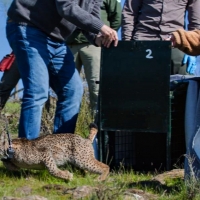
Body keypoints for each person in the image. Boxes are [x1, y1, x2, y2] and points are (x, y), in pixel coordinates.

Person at [5, 0, 118, 140]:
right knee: (37, 90)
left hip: (56, 39)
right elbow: (66, 6)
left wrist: (97, 38)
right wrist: (102, 27)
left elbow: (91, 18)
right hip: (29, 27)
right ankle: (26, 155)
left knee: (73, 90)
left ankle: (59, 151)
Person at [66, 0, 121, 118]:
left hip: (94, 44)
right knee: (67, 89)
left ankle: (96, 129)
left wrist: (106, 36)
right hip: (68, 44)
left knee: (97, 88)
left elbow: (116, 16)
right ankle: (65, 132)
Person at [121, 0, 200, 75]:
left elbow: (196, 22)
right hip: (144, 39)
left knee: (183, 82)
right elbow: (129, 12)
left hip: (175, 42)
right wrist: (128, 44)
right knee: (137, 83)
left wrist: (191, 48)